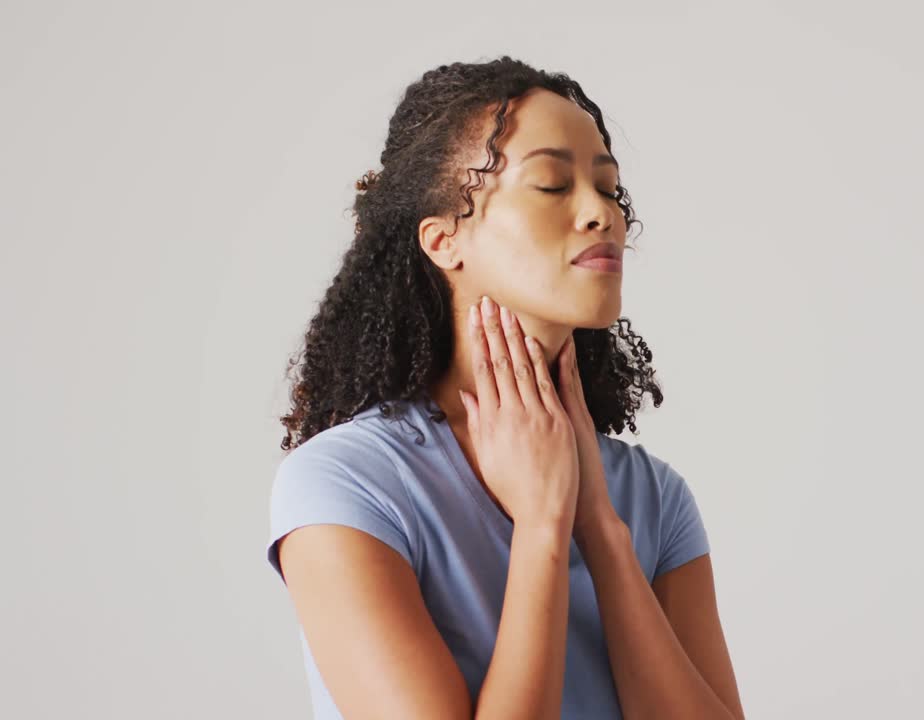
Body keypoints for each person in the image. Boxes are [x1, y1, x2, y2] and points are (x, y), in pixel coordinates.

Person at [266, 56, 745, 720]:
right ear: (443, 239)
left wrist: (601, 530)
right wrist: (543, 527)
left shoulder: (653, 498)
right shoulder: (347, 485)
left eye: (609, 189)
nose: (600, 215)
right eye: (551, 184)